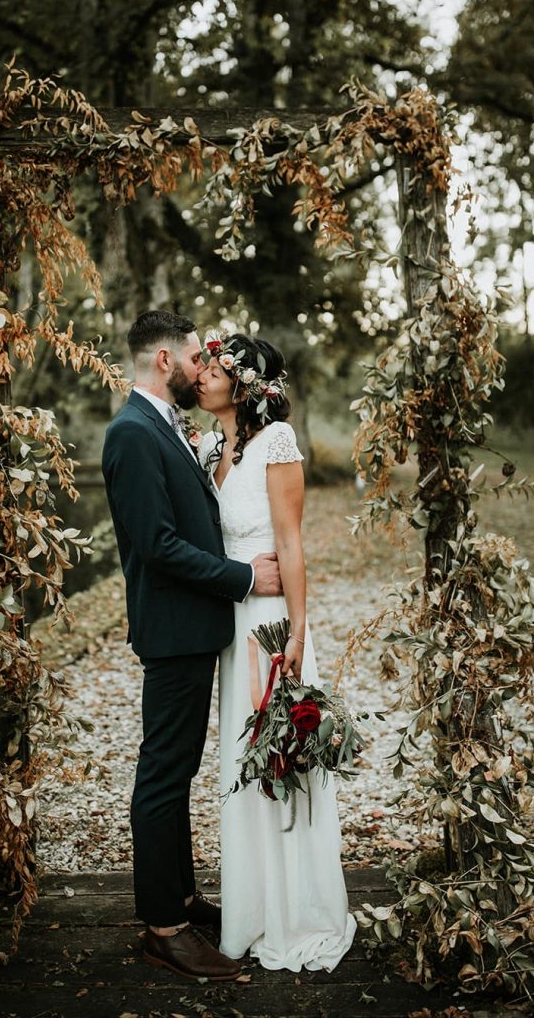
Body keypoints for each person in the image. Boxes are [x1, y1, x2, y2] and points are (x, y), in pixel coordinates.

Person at [101, 309, 284, 982]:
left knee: (176, 768)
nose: (199, 366)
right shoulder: (131, 433)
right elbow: (156, 545)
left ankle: (180, 896)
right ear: (162, 362)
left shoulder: (165, 428)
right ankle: (165, 929)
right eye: (191, 356)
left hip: (189, 628)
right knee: (161, 774)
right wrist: (240, 577)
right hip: (173, 629)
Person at [196, 330, 357, 971]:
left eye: (215, 365)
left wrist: (296, 633)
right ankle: (254, 906)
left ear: (247, 384)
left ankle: (298, 910)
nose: (203, 373)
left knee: (279, 758)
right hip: (232, 624)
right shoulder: (212, 446)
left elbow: (290, 545)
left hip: (269, 624)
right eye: (205, 363)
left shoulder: (277, 443)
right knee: (242, 754)